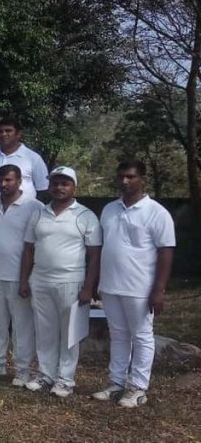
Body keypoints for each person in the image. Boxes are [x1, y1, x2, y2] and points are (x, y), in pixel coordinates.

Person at [91, 160, 175, 408]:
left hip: (140, 287)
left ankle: (138, 388)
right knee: (118, 335)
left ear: (142, 179)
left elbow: (166, 252)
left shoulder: (156, 212)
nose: (125, 181)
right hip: (111, 285)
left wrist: (158, 289)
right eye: (121, 177)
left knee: (141, 336)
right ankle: (116, 383)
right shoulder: (109, 209)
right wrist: (97, 281)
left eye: (130, 177)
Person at [19, 166, 101, 397]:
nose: (59, 187)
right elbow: (28, 250)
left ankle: (65, 379)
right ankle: (46, 374)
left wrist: (88, 287)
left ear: (74, 187)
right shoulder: (38, 213)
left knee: (69, 333)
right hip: (41, 280)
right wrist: (24, 280)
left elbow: (95, 255)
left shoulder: (85, 216)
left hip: (71, 281)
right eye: (55, 183)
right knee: (45, 330)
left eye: (65, 183)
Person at [0, 164, 43, 385]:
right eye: (1, 180)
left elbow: (35, 246)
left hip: (19, 277)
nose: (4, 184)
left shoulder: (34, 207)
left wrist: (27, 278)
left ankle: (22, 369)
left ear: (19, 181)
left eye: (9, 180)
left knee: (22, 325)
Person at [0, 119, 49, 206]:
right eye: (0, 131)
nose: (3, 134)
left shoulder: (33, 158)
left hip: (24, 214)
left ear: (18, 134)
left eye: (8, 130)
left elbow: (43, 190)